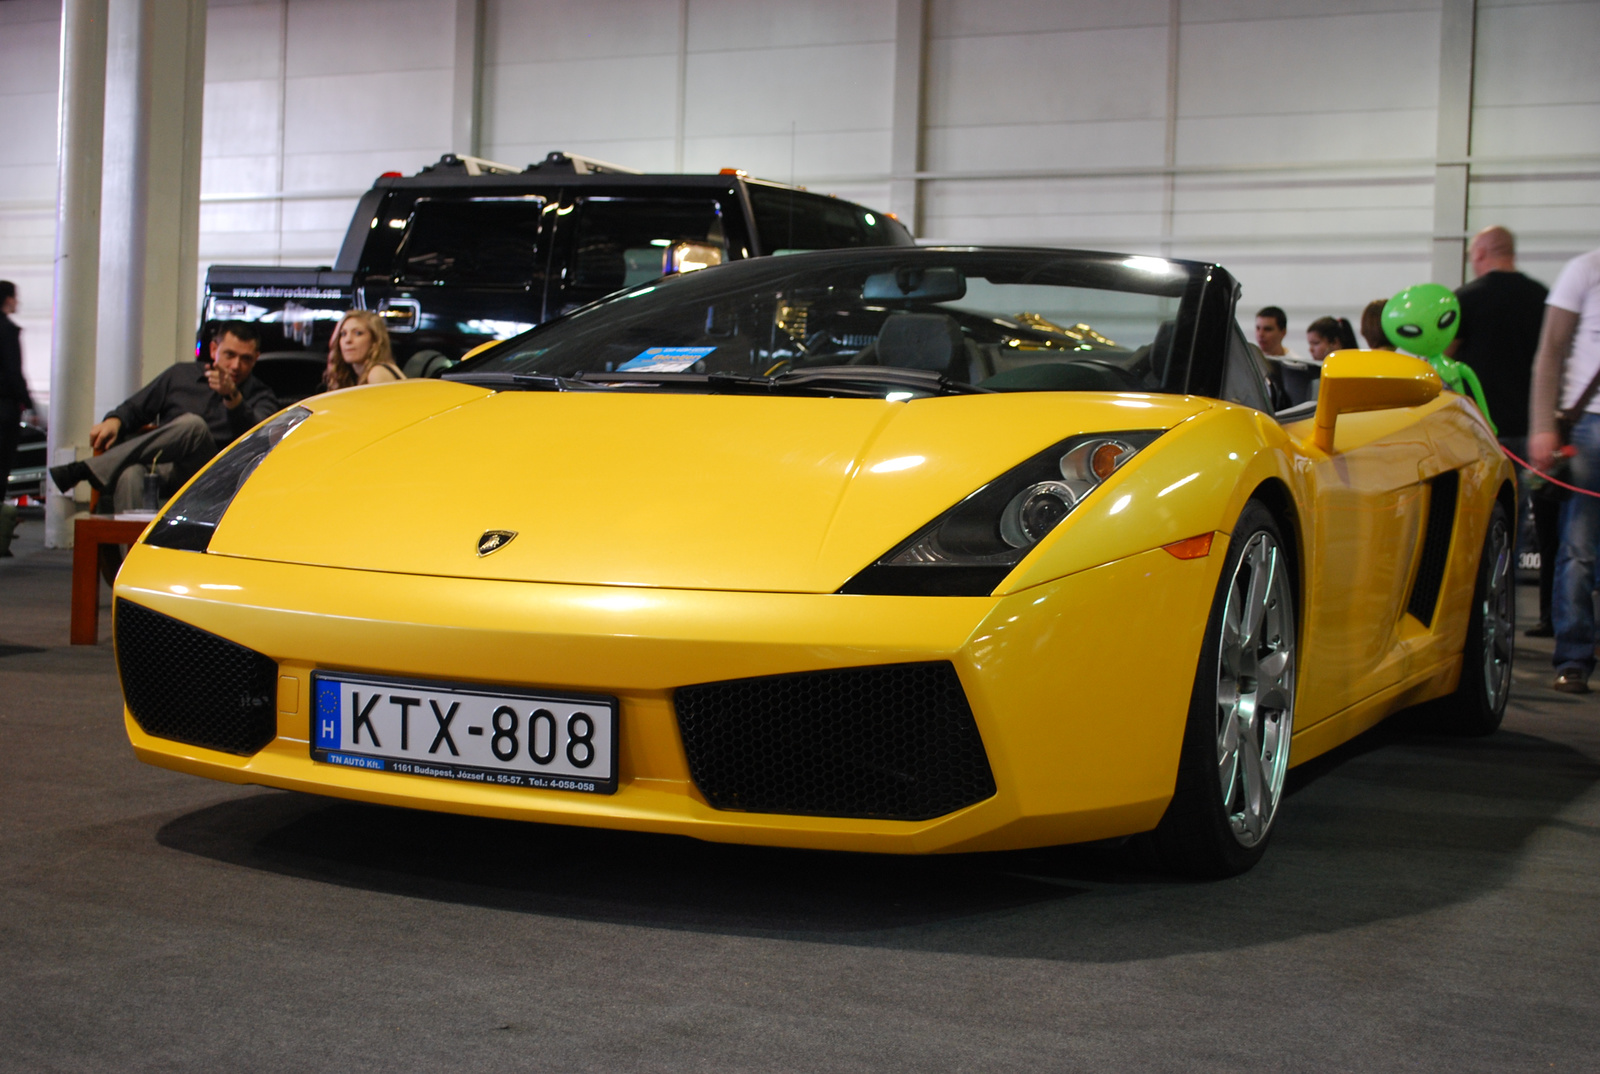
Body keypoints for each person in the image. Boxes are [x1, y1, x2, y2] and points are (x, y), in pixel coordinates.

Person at [48, 321, 279, 514]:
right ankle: (132, 563)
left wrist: (233, 398)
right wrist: (115, 420)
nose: (236, 365)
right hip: (166, 469)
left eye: (246, 359)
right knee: (130, 476)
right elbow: (136, 408)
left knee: (193, 426)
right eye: (229, 355)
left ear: (256, 358)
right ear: (213, 350)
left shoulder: (261, 394)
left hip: (216, 477)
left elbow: (261, 439)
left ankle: (88, 468)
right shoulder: (181, 375)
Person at [1452, 225, 1556, 633]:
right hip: (1538, 432)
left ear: (1480, 253)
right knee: (1549, 531)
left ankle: (1496, 621)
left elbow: (1446, 358)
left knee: (1493, 529)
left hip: (1486, 434)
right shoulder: (1543, 297)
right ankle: (1550, 616)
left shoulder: (1467, 299)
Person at [1528, 245, 1600, 693]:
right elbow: (1550, 352)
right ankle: (1573, 656)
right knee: (1578, 546)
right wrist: (1542, 426)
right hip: (1590, 425)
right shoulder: (1586, 269)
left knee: (1579, 545)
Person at [1, 281, 33, 557]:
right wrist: (30, 403)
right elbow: (14, 372)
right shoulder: (8, 331)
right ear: (8, 300)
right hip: (4, 411)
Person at [322, 310, 404, 391]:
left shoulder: (377, 372)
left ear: (375, 340)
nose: (348, 340)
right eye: (343, 334)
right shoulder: (356, 374)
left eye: (358, 333)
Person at [1256, 306, 1317, 405]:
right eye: (1258, 328)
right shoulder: (1251, 363)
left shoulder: (1297, 365)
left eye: (1268, 329)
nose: (1260, 334)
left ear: (1283, 332)